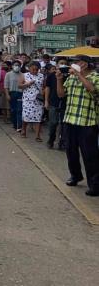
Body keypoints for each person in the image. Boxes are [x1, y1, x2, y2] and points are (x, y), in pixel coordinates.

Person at [57, 55, 99, 197]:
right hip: (70, 119)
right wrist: (58, 79)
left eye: (77, 62)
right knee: (70, 151)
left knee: (90, 155)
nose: (74, 64)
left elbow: (92, 89)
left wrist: (80, 75)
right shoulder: (71, 77)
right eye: (73, 62)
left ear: (85, 64)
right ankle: (75, 176)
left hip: (87, 121)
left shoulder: (95, 77)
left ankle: (94, 184)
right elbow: (61, 94)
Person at [19, 61, 44, 141]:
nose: (35, 71)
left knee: (38, 117)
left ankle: (37, 135)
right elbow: (19, 86)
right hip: (27, 99)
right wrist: (28, 84)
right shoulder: (24, 75)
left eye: (37, 69)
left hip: (38, 99)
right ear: (29, 68)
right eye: (33, 69)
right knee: (26, 116)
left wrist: (42, 92)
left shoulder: (41, 76)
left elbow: (44, 86)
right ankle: (23, 130)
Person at [47, 60, 69, 150]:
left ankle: (62, 143)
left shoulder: (69, 76)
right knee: (53, 123)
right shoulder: (52, 75)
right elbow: (47, 88)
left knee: (64, 125)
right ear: (57, 65)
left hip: (65, 103)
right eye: (61, 63)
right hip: (53, 102)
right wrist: (46, 100)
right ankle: (51, 140)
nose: (62, 65)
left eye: (64, 63)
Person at [4, 60, 23, 133]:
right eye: (15, 65)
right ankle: (15, 124)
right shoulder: (8, 74)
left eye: (18, 65)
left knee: (19, 110)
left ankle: (19, 126)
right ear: (12, 66)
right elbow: (6, 86)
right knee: (13, 110)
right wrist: (7, 94)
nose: (17, 67)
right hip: (12, 93)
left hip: (20, 93)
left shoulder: (22, 74)